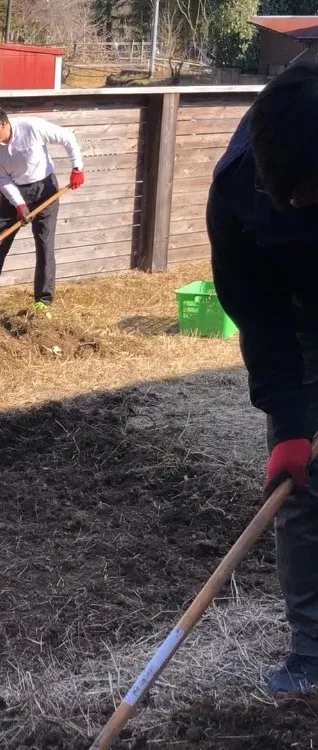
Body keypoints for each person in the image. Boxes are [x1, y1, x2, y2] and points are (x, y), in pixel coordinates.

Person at [208, 62, 318, 696]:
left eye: (308, 190)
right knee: (301, 490)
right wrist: (290, 420)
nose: (296, 202)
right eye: (287, 192)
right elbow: (260, 314)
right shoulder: (239, 189)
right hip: (303, 314)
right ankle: (312, 654)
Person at [0, 102, 85, 314]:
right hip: (13, 193)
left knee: (44, 245)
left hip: (45, 190)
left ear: (2, 123)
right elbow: (1, 179)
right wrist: (19, 204)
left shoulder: (31, 127)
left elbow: (67, 137)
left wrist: (77, 168)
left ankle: (43, 301)